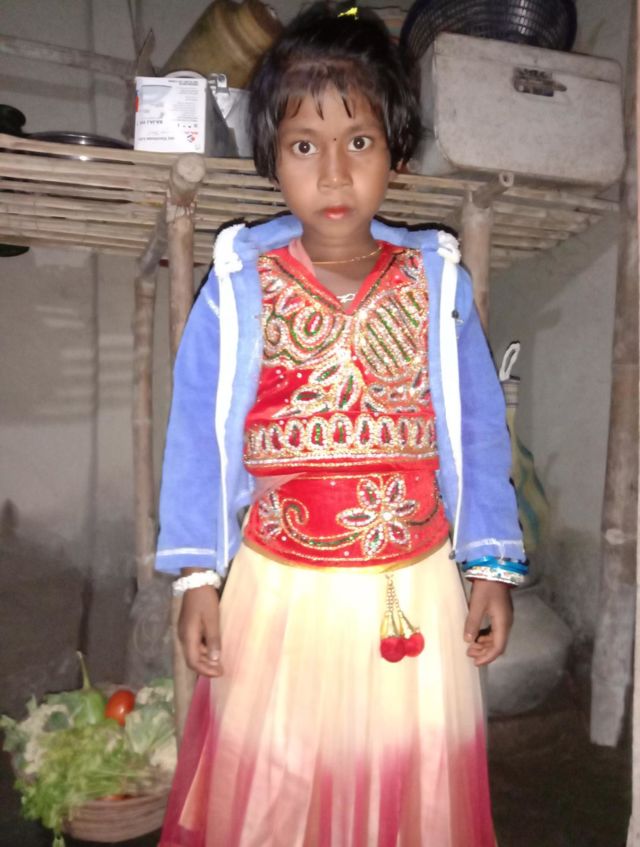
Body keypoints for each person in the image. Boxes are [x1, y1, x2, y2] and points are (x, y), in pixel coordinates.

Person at [155, 5, 526, 846]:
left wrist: (490, 564)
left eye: (358, 141)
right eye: (303, 145)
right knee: (279, 789)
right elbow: (198, 436)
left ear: (397, 149)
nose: (333, 173)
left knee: (405, 785)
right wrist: (197, 577)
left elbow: (476, 429)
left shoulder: (434, 281)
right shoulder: (240, 282)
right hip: (280, 598)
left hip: (413, 592)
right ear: (270, 156)